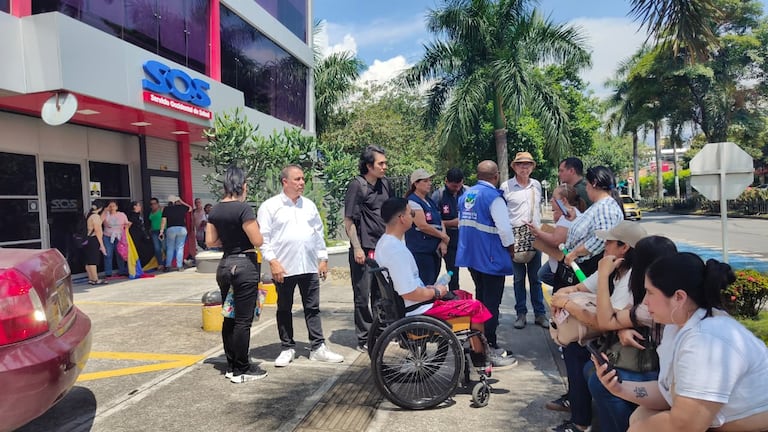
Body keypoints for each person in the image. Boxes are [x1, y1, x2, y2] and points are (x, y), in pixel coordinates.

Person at [593, 252, 768, 432]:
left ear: (679, 297)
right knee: (641, 415)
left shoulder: (705, 342)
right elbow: (669, 394)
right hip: (721, 422)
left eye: (650, 292)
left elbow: (685, 426)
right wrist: (619, 388)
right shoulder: (678, 326)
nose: (645, 301)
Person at [375, 198, 516, 368]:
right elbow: (409, 292)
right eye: (410, 213)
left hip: (411, 304)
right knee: (476, 307)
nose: (413, 216)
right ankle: (481, 359)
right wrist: (436, 292)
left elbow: (407, 287)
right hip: (418, 309)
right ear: (401, 218)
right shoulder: (396, 251)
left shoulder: (385, 243)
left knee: (463, 295)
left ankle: (479, 349)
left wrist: (430, 289)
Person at [549, 165, 624, 431]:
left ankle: (580, 418)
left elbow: (600, 242)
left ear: (592, 184)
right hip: (588, 280)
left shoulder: (605, 208)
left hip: (590, 277)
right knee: (574, 346)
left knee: (578, 345)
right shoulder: (601, 207)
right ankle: (577, 405)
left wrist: (575, 253)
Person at [585, 235, 678, 432]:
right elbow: (621, 315)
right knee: (594, 372)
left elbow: (606, 320)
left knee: (601, 381)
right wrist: (622, 326)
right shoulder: (652, 293)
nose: (604, 246)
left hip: (662, 372)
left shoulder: (658, 301)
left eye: (609, 241)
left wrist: (603, 276)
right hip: (663, 371)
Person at [258, 165, 344, 368]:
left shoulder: (309, 206)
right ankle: (287, 347)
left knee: (312, 308)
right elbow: (264, 238)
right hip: (284, 267)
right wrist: (273, 261)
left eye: (303, 179)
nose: (302, 183)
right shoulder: (270, 207)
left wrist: (322, 258)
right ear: (284, 182)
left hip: (308, 265)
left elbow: (317, 233)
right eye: (297, 179)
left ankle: (318, 347)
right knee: (284, 308)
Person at [205, 166, 267, 383]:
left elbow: (210, 241)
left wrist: (230, 240)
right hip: (244, 265)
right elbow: (257, 240)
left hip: (224, 265)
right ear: (243, 185)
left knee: (229, 317)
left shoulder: (214, 210)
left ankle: (231, 365)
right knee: (243, 320)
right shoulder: (244, 209)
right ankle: (242, 369)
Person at [456, 160, 516, 365]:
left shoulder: (466, 196)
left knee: (480, 300)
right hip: (490, 257)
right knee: (491, 303)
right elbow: (505, 230)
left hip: (472, 257)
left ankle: (478, 343)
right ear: (496, 175)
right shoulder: (493, 197)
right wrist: (511, 248)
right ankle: (489, 344)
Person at [343, 145, 391, 352]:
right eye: (381, 163)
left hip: (383, 248)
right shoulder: (357, 186)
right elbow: (348, 220)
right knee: (363, 295)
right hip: (364, 249)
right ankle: (364, 337)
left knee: (382, 295)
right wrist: (357, 248)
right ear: (369, 166)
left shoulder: (386, 184)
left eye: (385, 163)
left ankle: (380, 334)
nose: (385, 167)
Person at [500, 151, 547, 330]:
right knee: (518, 279)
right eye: (521, 164)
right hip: (515, 239)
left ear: (532, 167)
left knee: (536, 278)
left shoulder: (536, 185)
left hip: (535, 237)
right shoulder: (506, 187)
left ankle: (540, 314)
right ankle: (521, 313)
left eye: (528, 164)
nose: (524, 168)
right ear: (514, 167)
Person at [528, 184, 585, 287]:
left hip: (565, 267)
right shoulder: (571, 214)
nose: (551, 200)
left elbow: (556, 241)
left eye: (554, 198)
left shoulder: (567, 217)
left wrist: (538, 232)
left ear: (563, 200)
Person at [405, 169, 449, 286]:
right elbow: (422, 225)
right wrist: (443, 236)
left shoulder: (430, 200)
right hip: (421, 250)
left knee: (432, 281)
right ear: (416, 183)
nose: (429, 183)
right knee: (425, 282)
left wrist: (443, 240)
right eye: (425, 181)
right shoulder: (412, 202)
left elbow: (440, 221)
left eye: (430, 180)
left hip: (434, 250)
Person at [431, 167, 468, 292]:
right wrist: (452, 223)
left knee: (476, 271)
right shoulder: (439, 195)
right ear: (446, 181)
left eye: (458, 186)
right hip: (448, 238)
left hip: (466, 238)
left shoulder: (468, 193)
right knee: (452, 272)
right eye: (453, 186)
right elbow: (435, 222)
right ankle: (454, 296)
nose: (456, 189)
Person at [160, 195, 191, 272]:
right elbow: (190, 208)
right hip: (182, 229)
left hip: (171, 229)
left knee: (170, 247)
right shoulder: (182, 208)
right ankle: (179, 266)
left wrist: (161, 231)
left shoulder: (166, 209)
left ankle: (168, 266)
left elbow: (163, 221)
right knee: (180, 248)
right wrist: (181, 201)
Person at [101, 200, 131, 278]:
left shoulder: (122, 215)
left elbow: (127, 224)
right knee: (108, 254)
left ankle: (122, 271)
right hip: (108, 236)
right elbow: (102, 222)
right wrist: (105, 211)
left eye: (113, 206)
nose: (112, 208)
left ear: (117, 207)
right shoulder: (106, 214)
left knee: (120, 254)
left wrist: (128, 225)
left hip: (119, 236)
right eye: (110, 206)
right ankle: (108, 273)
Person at [84, 200, 107, 285]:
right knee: (93, 260)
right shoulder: (96, 216)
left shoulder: (87, 214)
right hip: (93, 239)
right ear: (100, 208)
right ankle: (95, 279)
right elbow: (97, 231)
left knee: (88, 260)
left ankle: (91, 278)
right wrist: (102, 244)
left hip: (87, 239)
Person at [127, 201, 154, 268]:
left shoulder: (138, 215)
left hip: (141, 235)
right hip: (135, 235)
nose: (140, 207)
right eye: (138, 205)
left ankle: (143, 265)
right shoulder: (132, 215)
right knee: (138, 250)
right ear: (134, 207)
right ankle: (137, 266)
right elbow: (128, 226)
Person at [148, 197, 165, 270]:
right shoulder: (151, 212)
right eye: (151, 204)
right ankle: (160, 264)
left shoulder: (161, 210)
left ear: (158, 204)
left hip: (162, 230)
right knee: (157, 248)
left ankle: (168, 263)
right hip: (154, 231)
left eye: (155, 203)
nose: (153, 205)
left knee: (165, 247)